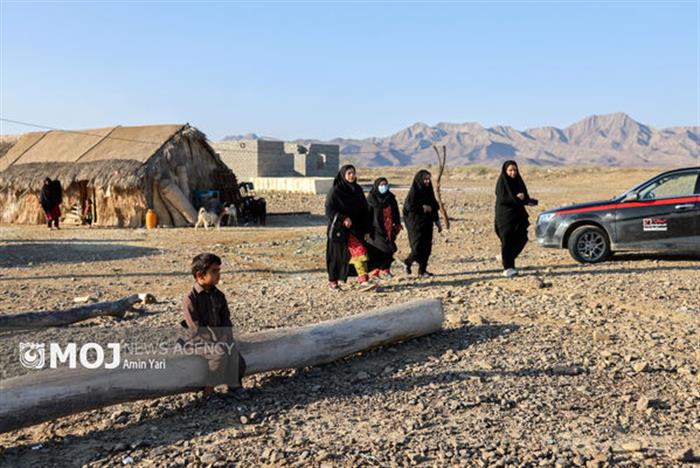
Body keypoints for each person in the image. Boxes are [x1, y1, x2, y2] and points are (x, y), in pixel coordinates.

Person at [181, 253, 246, 396]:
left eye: (219, 271)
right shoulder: (190, 299)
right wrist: (216, 341)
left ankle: (234, 385)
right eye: (214, 271)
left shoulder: (219, 295)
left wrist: (225, 336)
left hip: (220, 338)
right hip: (198, 341)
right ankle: (209, 390)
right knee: (219, 356)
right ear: (200, 275)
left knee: (236, 357)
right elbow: (196, 327)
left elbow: (226, 319)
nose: (218, 274)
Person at [325, 164, 372, 289]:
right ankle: (333, 282)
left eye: (353, 173)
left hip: (356, 229)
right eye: (349, 173)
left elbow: (365, 210)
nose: (352, 176)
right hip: (339, 230)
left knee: (360, 252)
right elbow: (329, 209)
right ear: (343, 175)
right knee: (337, 257)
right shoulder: (336, 191)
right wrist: (343, 218)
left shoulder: (357, 190)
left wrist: (367, 230)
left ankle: (363, 280)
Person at [494, 160, 538, 278]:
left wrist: (529, 201)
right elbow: (503, 199)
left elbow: (524, 196)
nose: (513, 173)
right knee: (507, 241)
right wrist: (517, 198)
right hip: (505, 217)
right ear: (505, 171)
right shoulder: (502, 183)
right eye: (510, 170)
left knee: (522, 238)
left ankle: (505, 258)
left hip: (518, 216)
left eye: (515, 170)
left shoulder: (518, 181)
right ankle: (508, 268)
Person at [402, 170, 442, 278]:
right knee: (417, 247)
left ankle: (422, 270)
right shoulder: (414, 192)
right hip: (415, 225)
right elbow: (409, 207)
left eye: (428, 179)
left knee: (427, 248)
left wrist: (437, 222)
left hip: (427, 224)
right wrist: (422, 208)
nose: (427, 181)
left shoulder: (429, 191)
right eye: (425, 179)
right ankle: (408, 262)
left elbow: (434, 207)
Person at [366, 177, 402, 280]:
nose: (384, 187)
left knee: (390, 249)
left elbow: (395, 212)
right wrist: (367, 230)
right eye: (381, 185)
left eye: (385, 184)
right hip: (375, 229)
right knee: (381, 250)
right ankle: (375, 272)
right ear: (376, 186)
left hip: (389, 229)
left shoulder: (390, 198)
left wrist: (397, 224)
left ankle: (386, 270)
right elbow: (367, 215)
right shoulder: (371, 199)